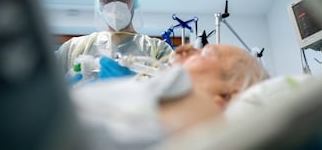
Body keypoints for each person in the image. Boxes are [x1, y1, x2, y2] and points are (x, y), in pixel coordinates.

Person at [71, 43, 268, 149]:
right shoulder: (175, 89)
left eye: (207, 53)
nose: (188, 49)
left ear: (230, 90)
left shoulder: (205, 108)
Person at [55, 0, 173, 81]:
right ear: (99, 4)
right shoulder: (73, 48)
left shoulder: (157, 50)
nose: (115, 6)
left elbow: (176, 92)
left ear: (134, 0)